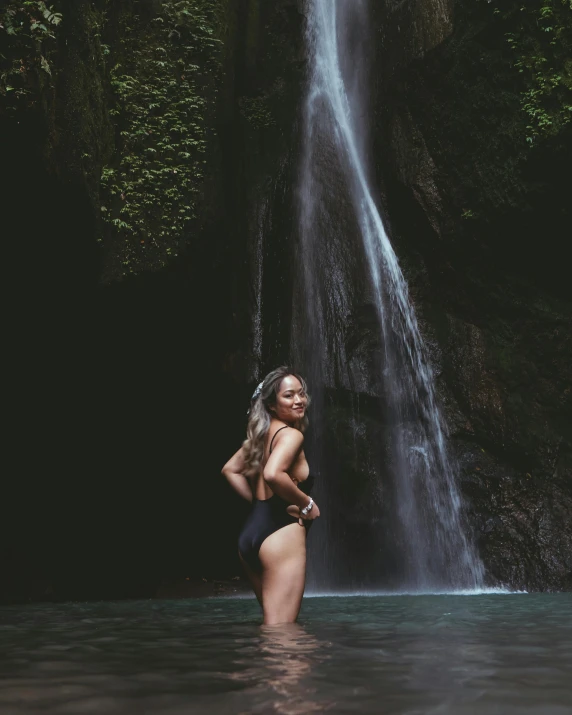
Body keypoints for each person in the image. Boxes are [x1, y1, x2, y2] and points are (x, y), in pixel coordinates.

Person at [222, 366, 320, 625]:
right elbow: (273, 474)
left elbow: (230, 470)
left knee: (274, 628)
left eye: (301, 394)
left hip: (252, 535)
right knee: (282, 633)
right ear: (272, 405)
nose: (299, 400)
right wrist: (306, 503)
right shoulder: (290, 436)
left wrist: (259, 505)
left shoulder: (259, 436)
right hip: (280, 536)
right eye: (289, 395)